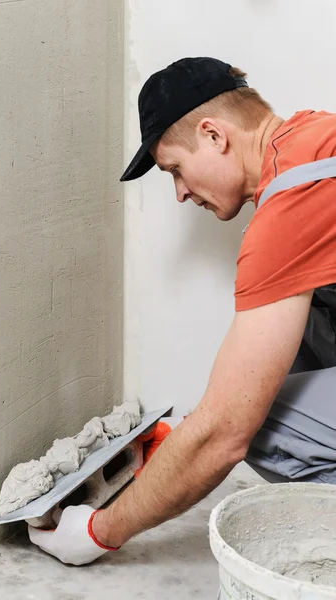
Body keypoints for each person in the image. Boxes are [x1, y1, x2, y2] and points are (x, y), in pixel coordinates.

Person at [29, 57, 336, 565]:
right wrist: (178, 451)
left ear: (214, 135)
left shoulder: (295, 197)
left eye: (175, 169)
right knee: (303, 321)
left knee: (256, 422)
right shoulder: (316, 140)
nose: (179, 193)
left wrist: (100, 531)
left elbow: (224, 435)